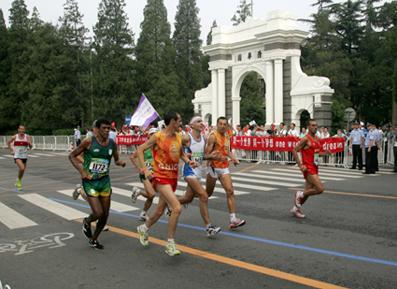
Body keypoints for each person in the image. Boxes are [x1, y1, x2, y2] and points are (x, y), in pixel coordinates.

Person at [136, 112, 196, 256]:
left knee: (159, 211)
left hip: (172, 178)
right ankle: (170, 243)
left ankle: (143, 228)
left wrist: (189, 161)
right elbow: (140, 150)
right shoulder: (158, 136)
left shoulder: (178, 137)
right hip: (160, 177)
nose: (181, 123)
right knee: (176, 207)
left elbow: (181, 153)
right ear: (172, 122)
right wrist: (145, 169)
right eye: (179, 121)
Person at [69, 118, 126, 249]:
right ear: (97, 129)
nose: (107, 130)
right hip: (90, 182)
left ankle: (94, 240)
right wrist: (82, 171)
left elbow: (116, 160)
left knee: (105, 215)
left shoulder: (112, 144)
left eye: (108, 128)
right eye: (104, 128)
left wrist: (120, 163)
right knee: (98, 213)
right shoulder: (89, 141)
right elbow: (72, 156)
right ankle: (87, 221)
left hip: (105, 181)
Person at [177, 116, 222, 237]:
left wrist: (212, 156)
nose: (201, 123)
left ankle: (169, 203)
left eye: (202, 121)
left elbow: (203, 156)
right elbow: (176, 150)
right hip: (189, 171)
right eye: (198, 121)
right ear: (191, 125)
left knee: (188, 198)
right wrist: (185, 155)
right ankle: (209, 227)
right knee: (203, 195)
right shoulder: (186, 137)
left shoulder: (204, 138)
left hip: (199, 172)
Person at [205, 117, 246, 229]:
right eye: (220, 124)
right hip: (213, 168)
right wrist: (212, 157)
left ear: (227, 126)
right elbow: (206, 154)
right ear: (217, 125)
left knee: (230, 191)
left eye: (224, 124)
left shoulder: (228, 135)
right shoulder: (213, 136)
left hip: (223, 167)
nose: (223, 126)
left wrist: (234, 158)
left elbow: (227, 151)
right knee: (206, 194)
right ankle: (182, 201)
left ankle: (233, 219)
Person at [291, 119, 328, 218]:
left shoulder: (317, 138)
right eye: (312, 125)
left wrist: (325, 153)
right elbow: (294, 150)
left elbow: (316, 153)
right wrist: (300, 165)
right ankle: (299, 193)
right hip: (308, 167)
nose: (315, 127)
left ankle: (296, 209)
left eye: (316, 125)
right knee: (320, 189)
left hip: (315, 166)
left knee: (308, 191)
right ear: (308, 127)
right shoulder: (305, 139)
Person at [130, 127, 158, 221]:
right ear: (149, 136)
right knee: (152, 194)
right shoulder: (144, 147)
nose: (154, 135)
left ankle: (143, 213)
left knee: (151, 196)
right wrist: (140, 168)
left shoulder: (159, 146)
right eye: (152, 134)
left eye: (155, 134)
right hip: (145, 174)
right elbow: (132, 157)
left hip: (154, 173)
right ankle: (139, 192)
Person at [7, 125, 33, 190]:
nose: (22, 131)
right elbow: (8, 142)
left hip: (24, 155)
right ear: (18, 130)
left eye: (23, 129)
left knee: (23, 170)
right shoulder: (15, 136)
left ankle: (18, 180)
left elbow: (30, 147)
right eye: (20, 129)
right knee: (22, 168)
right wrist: (11, 150)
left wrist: (30, 144)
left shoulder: (27, 137)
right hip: (17, 155)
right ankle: (19, 181)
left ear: (24, 130)